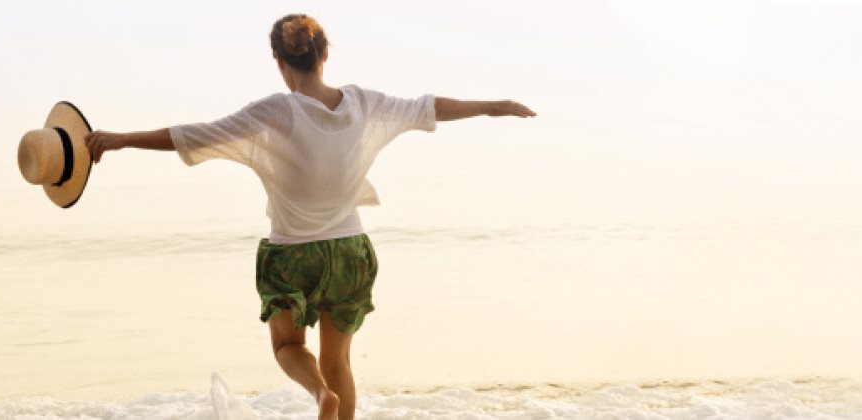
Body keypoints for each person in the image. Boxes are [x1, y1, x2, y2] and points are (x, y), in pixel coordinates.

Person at [85, 13, 535, 420]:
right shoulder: (364, 103)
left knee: (287, 346)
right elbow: (428, 107)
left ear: (280, 63)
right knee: (338, 360)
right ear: (325, 54)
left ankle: (320, 395)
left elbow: (194, 135)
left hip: (291, 255)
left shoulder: (275, 110)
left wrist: (122, 139)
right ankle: (333, 400)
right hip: (350, 252)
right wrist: (489, 106)